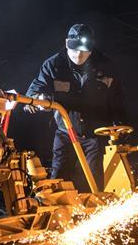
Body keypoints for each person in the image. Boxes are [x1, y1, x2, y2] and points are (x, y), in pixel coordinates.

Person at [24, 24, 125, 192]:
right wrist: (35, 99)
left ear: (91, 49)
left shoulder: (106, 66)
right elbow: (36, 87)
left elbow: (118, 98)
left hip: (95, 134)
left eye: (84, 50)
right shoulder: (53, 65)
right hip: (66, 132)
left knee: (93, 182)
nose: (78, 54)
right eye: (74, 49)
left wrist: (120, 123)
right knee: (59, 179)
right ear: (66, 43)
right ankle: (59, 213)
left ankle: (93, 212)